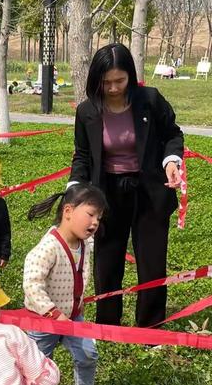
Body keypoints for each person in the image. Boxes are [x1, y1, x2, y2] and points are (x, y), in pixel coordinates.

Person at [69, 43, 183, 327]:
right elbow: (82, 155)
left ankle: (151, 325)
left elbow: (172, 134)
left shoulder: (150, 100)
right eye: (105, 82)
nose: (113, 88)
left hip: (149, 191)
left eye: (119, 80)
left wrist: (171, 161)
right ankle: (107, 324)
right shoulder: (87, 111)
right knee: (107, 262)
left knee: (152, 262)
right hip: (107, 193)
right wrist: (75, 189)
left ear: (130, 76)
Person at [23, 184, 113, 385]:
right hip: (44, 321)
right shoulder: (48, 248)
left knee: (88, 354)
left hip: (74, 318)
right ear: (68, 211)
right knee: (39, 364)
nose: (95, 222)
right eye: (91, 214)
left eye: (99, 217)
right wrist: (52, 313)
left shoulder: (85, 243)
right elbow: (31, 283)